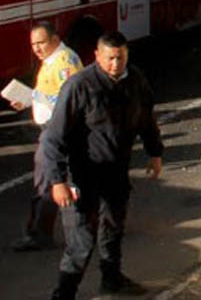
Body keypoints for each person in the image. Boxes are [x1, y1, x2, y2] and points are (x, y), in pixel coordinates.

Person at [41, 32, 162, 300]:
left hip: (115, 172)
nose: (116, 64)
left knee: (113, 229)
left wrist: (155, 153)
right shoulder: (79, 86)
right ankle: (64, 293)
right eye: (110, 58)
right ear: (97, 56)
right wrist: (57, 181)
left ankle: (112, 280)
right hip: (81, 175)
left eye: (121, 58)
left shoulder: (135, 81)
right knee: (81, 241)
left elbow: (146, 120)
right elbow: (54, 138)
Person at [8, 22, 83, 253]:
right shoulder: (53, 60)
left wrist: (36, 98)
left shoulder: (63, 62)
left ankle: (42, 234)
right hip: (53, 129)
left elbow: (66, 98)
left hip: (57, 131)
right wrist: (30, 99)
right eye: (33, 44)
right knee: (52, 180)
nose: (37, 49)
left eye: (41, 43)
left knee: (49, 180)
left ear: (55, 39)